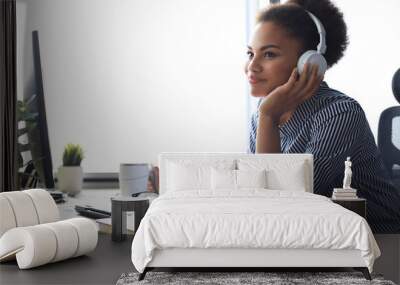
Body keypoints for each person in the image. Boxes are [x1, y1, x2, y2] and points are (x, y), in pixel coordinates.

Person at [245, 0, 400, 233]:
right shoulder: (265, 111)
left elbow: (290, 201)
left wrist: (269, 117)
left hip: (379, 238)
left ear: (308, 63)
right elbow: (257, 191)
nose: (252, 66)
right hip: (319, 231)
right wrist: (267, 116)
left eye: (269, 54)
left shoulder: (340, 113)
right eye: (250, 53)